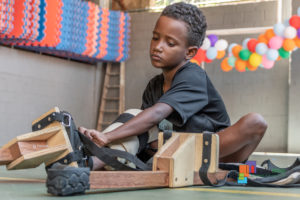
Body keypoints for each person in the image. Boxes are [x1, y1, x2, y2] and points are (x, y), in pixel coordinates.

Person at [79, 2, 267, 170]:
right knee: (137, 121)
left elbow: (157, 114)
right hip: (177, 150)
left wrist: (108, 137)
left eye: (169, 43)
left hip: (217, 151)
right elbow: (145, 130)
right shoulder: (154, 86)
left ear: (190, 52)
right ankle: (91, 159)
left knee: (255, 121)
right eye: (155, 38)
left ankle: (97, 159)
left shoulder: (193, 77)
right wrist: (100, 138)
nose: (158, 47)